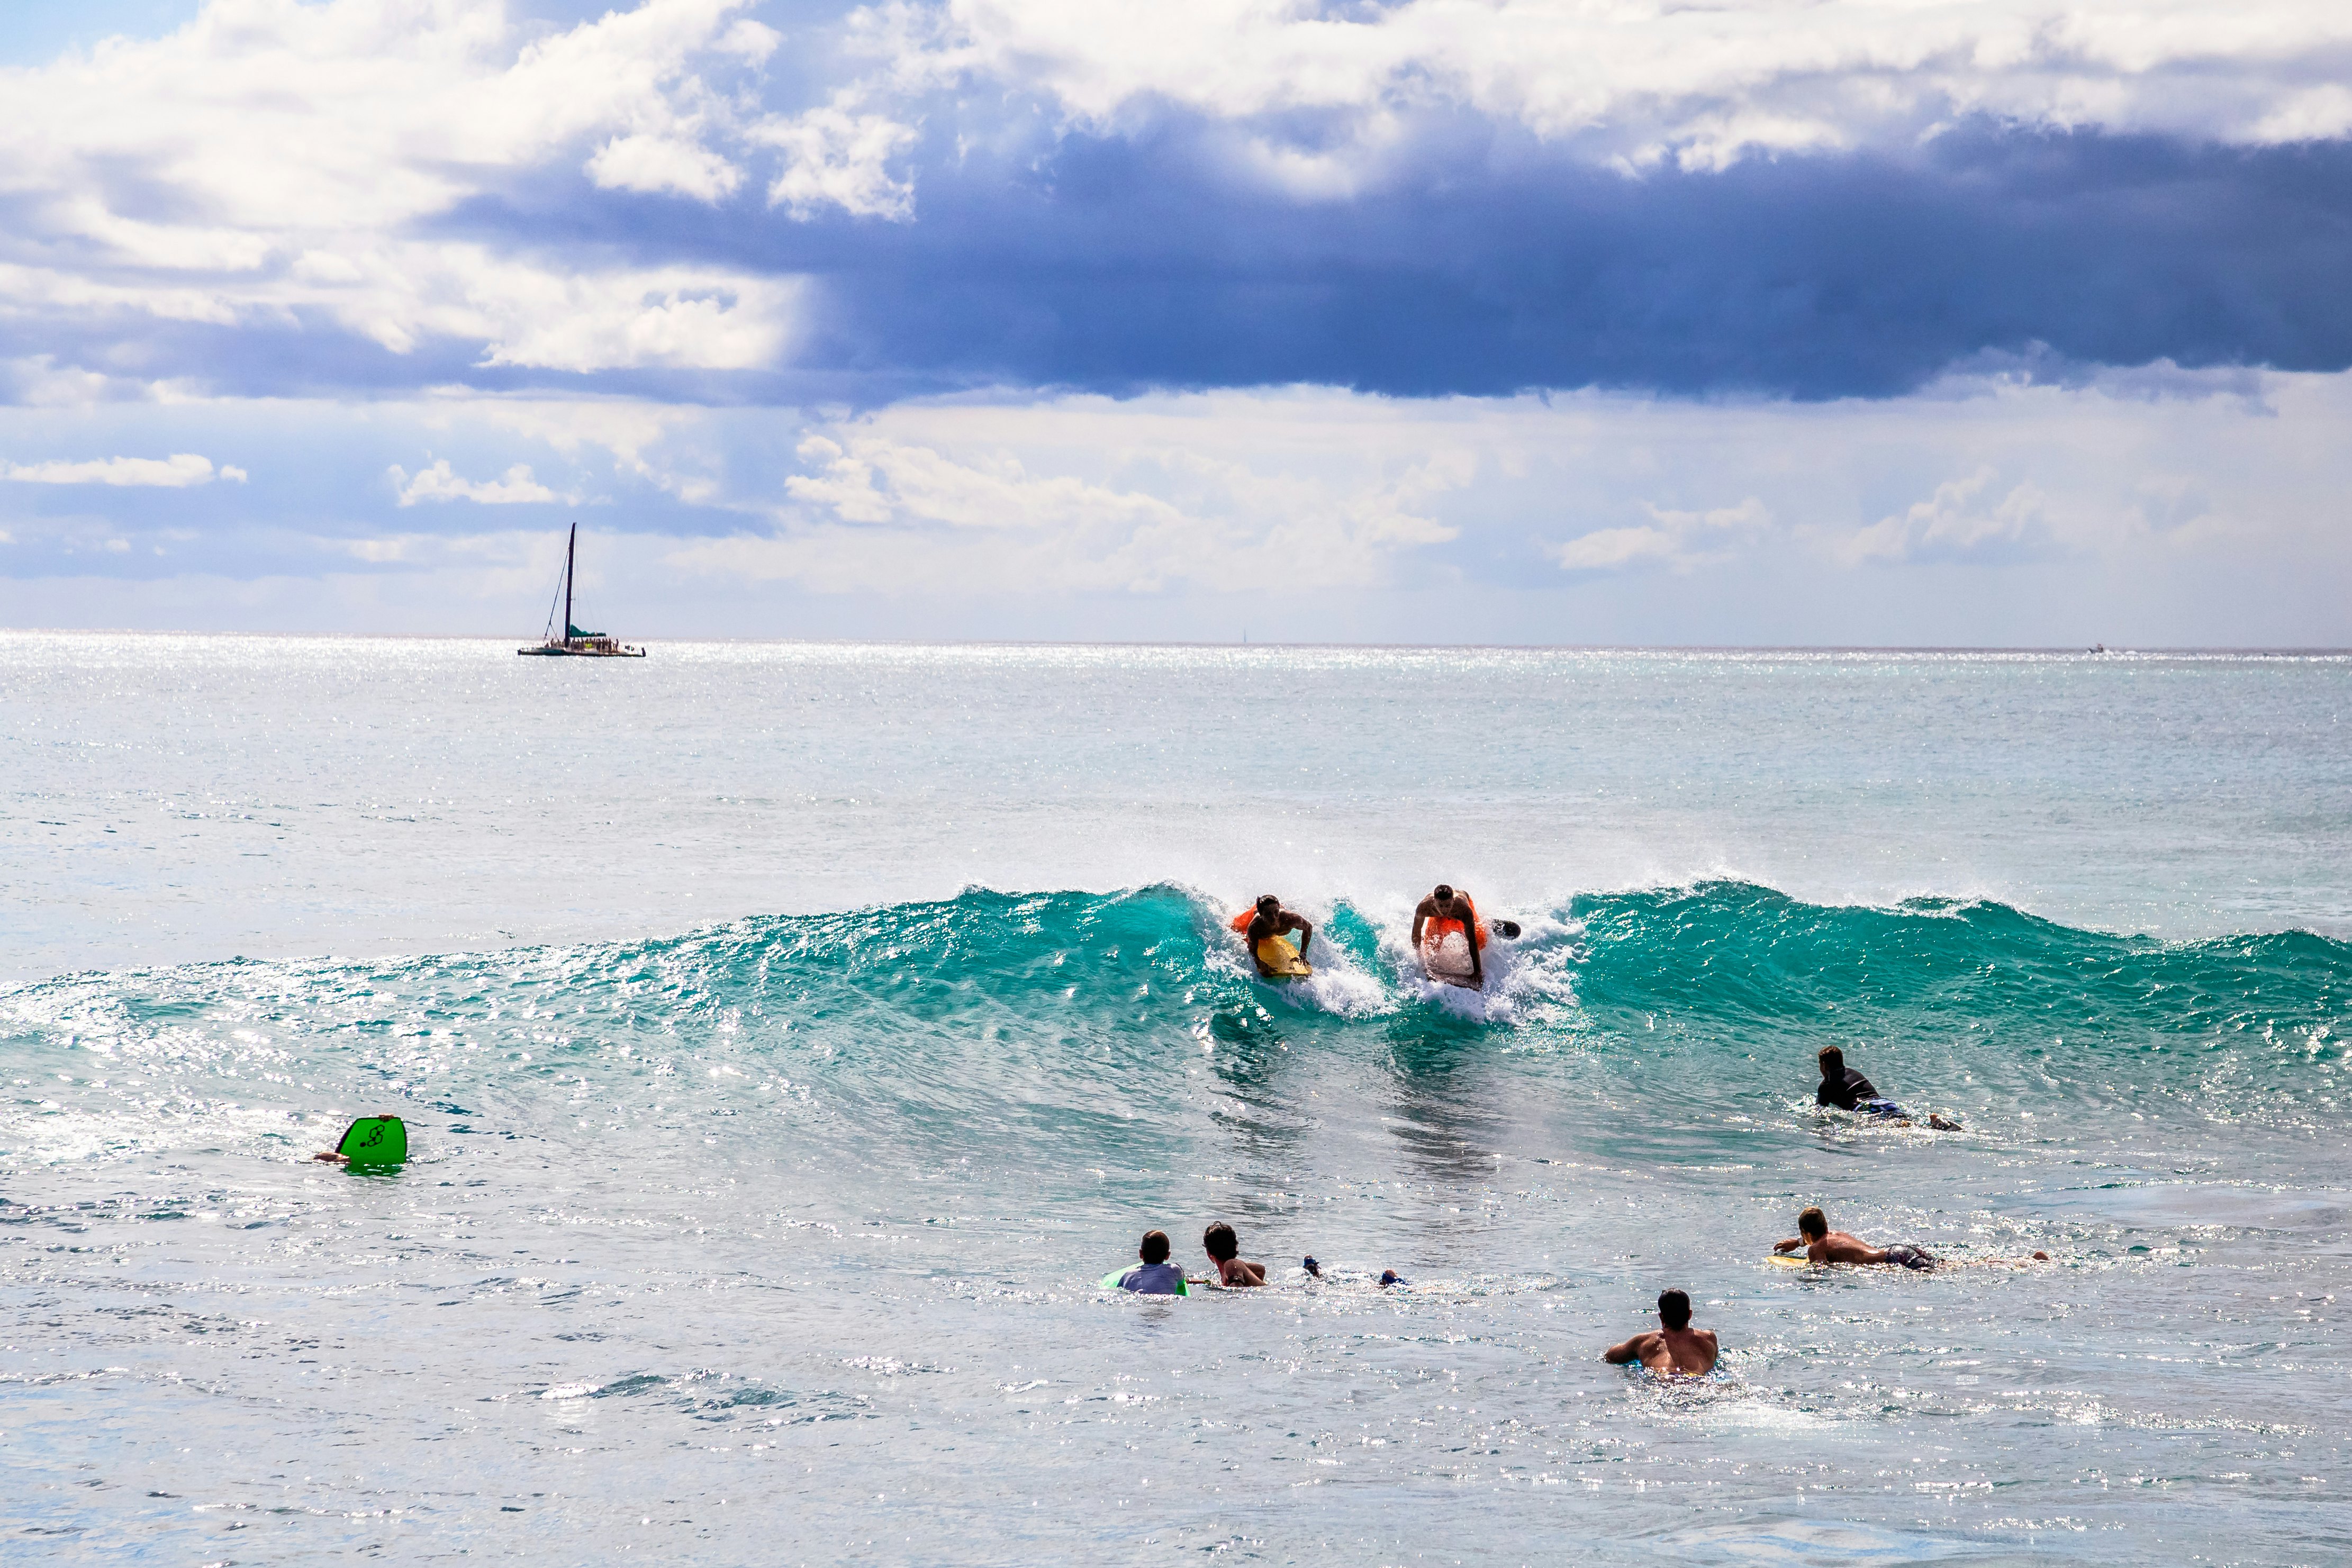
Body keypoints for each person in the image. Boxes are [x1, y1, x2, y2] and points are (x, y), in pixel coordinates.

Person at [1815, 1046, 1961, 1131]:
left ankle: (1937, 1125)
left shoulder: (1826, 1085)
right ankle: (1937, 1122)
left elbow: (1820, 1112)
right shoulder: (1855, 1073)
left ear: (1824, 1066)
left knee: (1899, 1128)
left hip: (1866, 1107)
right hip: (1885, 1103)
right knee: (1904, 1123)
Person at [1774, 1206, 1938, 1270]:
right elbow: (1819, 1240)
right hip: (1899, 1251)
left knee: (1937, 1274)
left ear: (1806, 1232)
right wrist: (1797, 1243)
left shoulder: (1816, 1249)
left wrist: (1793, 1270)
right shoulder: (1835, 1234)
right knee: (1946, 1267)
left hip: (1893, 1259)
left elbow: (1820, 1271)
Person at [1603, 1289, 1719, 1376]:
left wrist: (1635, 1351)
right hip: (1699, 1381)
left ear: (1661, 1317)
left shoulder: (1645, 1341)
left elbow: (1611, 1356)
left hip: (1664, 1381)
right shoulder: (1708, 1338)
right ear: (1690, 1315)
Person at [1411, 884, 1487, 985]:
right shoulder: (1424, 908)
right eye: (1440, 906)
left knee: (1480, 942)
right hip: (1438, 919)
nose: (1444, 910)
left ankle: (1485, 924)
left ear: (1453, 901)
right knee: (1431, 948)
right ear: (1434, 902)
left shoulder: (1464, 910)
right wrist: (1419, 958)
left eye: (1448, 906)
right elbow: (1416, 933)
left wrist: (1478, 972)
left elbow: (1472, 941)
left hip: (1459, 917)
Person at [1232, 895, 1314, 978]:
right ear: (1261, 914)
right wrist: (1259, 963)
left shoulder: (1291, 919)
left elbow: (1308, 927)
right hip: (1250, 917)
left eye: (1276, 912)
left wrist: (1303, 953)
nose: (1273, 917)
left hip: (1268, 909)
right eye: (1268, 914)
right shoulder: (1255, 927)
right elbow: (1251, 949)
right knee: (1236, 929)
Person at [1114, 1230, 1187, 1294]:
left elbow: (1119, 1291)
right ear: (1168, 1255)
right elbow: (1182, 1282)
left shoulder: (1128, 1276)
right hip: (1164, 1304)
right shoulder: (1174, 1270)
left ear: (1141, 1254)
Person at [1202, 1221, 1267, 1286]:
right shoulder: (1237, 1267)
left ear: (1209, 1253)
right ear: (1236, 1247)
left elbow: (1237, 1290)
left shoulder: (1232, 1265)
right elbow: (1261, 1269)